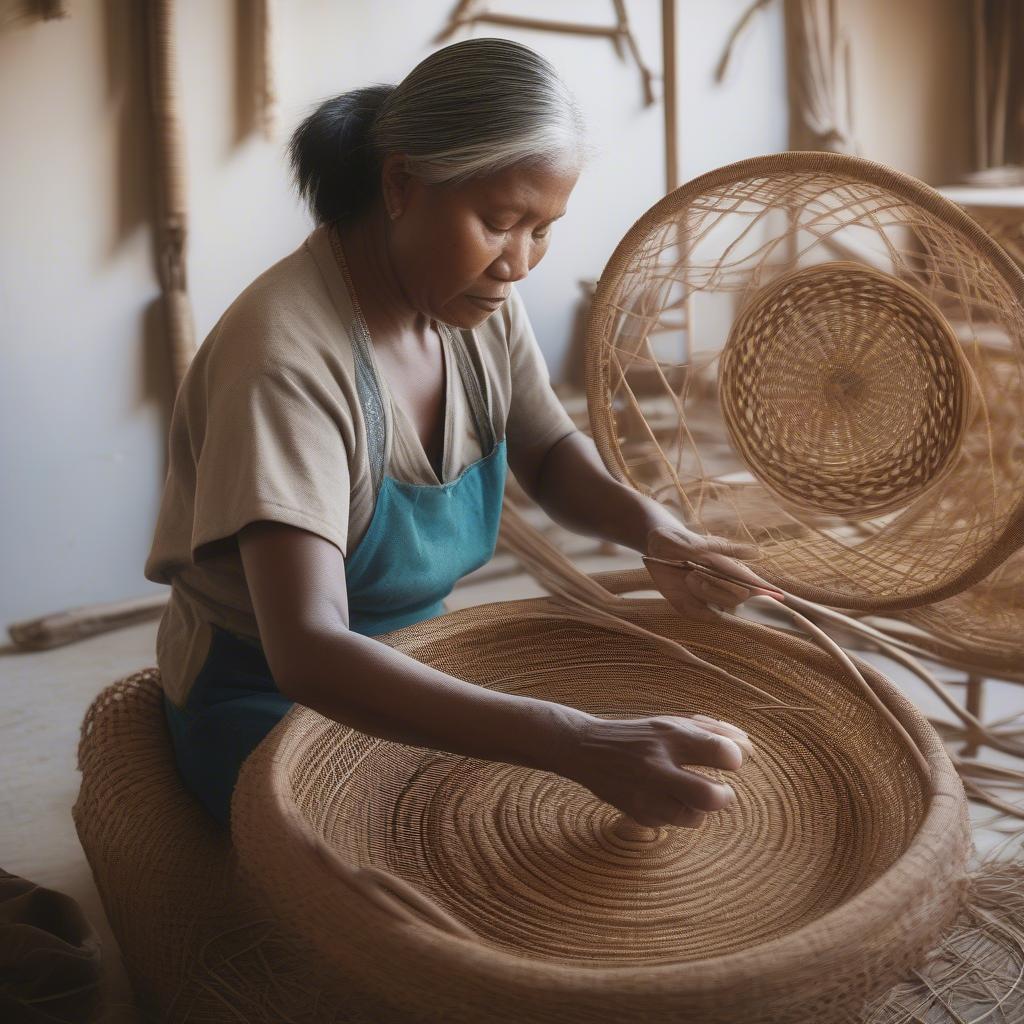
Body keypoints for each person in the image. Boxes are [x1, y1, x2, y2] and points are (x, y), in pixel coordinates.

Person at [144, 37, 775, 833]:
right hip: (269, 691)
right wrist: (573, 738)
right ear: (402, 183)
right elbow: (307, 650)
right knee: (409, 869)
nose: (519, 264)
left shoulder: (474, 305)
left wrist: (655, 532)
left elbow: (545, 452)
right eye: (499, 222)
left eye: (542, 229)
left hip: (422, 656)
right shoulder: (285, 362)